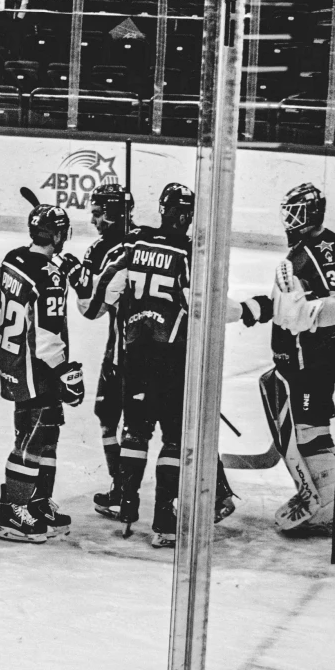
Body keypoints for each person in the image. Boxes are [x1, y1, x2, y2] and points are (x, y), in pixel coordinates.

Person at [238, 182, 335, 535]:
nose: (287, 220)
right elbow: (290, 305)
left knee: (306, 427)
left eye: (293, 212)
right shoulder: (311, 247)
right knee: (312, 426)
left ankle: (325, 504)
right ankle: (329, 499)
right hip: (308, 358)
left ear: (308, 214)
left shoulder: (320, 249)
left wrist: (309, 312)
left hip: (312, 361)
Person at [95, 183, 197, 546]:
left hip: (135, 356)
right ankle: (164, 519)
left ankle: (126, 502)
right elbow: (202, 304)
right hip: (172, 358)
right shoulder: (189, 251)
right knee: (172, 438)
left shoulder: (136, 243)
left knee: (136, 432)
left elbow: (105, 293)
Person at [0, 198, 83, 543]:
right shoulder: (51, 275)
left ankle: (38, 501)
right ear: (58, 236)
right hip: (38, 365)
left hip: (13, 357)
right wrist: (66, 372)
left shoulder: (12, 259)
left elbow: (0, 299)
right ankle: (13, 510)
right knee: (32, 438)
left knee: (46, 433)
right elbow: (48, 335)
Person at [73, 182, 138, 496]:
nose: (93, 221)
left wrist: (76, 279)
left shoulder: (101, 251)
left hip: (122, 353)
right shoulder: (147, 240)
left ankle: (122, 490)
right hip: (166, 350)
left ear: (114, 213)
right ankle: (217, 489)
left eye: (98, 214)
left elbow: (90, 310)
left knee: (109, 418)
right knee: (175, 425)